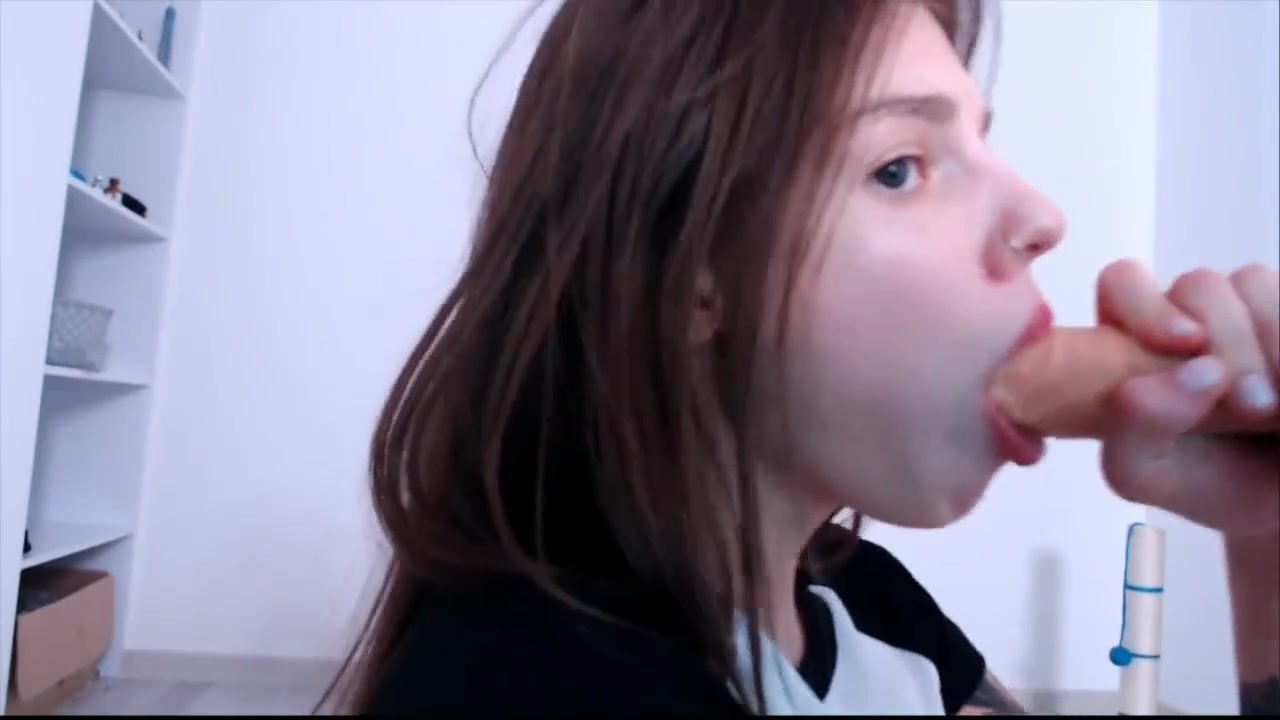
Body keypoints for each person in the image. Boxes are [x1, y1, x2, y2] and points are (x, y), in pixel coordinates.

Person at [323, 0, 1280, 715]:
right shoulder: (526, 685)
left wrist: (1268, 543)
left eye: (982, 144)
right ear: (691, 277)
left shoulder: (867, 602)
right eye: (899, 168)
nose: (1040, 217)